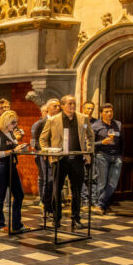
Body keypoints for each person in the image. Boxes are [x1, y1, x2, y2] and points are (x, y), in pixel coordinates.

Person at [39, 95, 94, 227]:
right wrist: (48, 152)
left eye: (74, 103)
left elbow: (90, 136)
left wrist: (88, 152)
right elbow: (43, 139)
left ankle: (76, 218)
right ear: (62, 106)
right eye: (69, 104)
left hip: (77, 159)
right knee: (57, 190)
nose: (72, 106)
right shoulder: (53, 120)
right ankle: (56, 218)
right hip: (60, 159)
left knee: (77, 190)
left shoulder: (83, 118)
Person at [0, 110, 28, 232]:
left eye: (16, 122)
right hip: (0, 166)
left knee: (19, 195)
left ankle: (17, 224)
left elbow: (14, 148)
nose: (15, 125)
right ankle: (0, 224)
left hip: (11, 166)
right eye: (13, 122)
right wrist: (13, 151)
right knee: (0, 196)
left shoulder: (11, 134)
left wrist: (20, 148)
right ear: (6, 122)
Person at [91, 103, 123, 215]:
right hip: (102, 156)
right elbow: (90, 144)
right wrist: (102, 142)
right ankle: (102, 206)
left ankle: (100, 204)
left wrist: (121, 155)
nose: (109, 113)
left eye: (111, 111)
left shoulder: (118, 124)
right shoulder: (95, 126)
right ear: (101, 113)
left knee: (113, 183)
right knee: (102, 183)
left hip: (116, 156)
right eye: (106, 112)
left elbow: (122, 141)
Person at [32, 98, 60, 217]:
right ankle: (45, 205)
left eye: (59, 106)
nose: (57, 108)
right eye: (55, 106)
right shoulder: (41, 123)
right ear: (48, 109)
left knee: (56, 182)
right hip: (45, 156)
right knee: (48, 180)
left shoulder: (59, 122)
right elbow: (35, 141)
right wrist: (44, 151)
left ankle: (53, 207)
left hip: (57, 155)